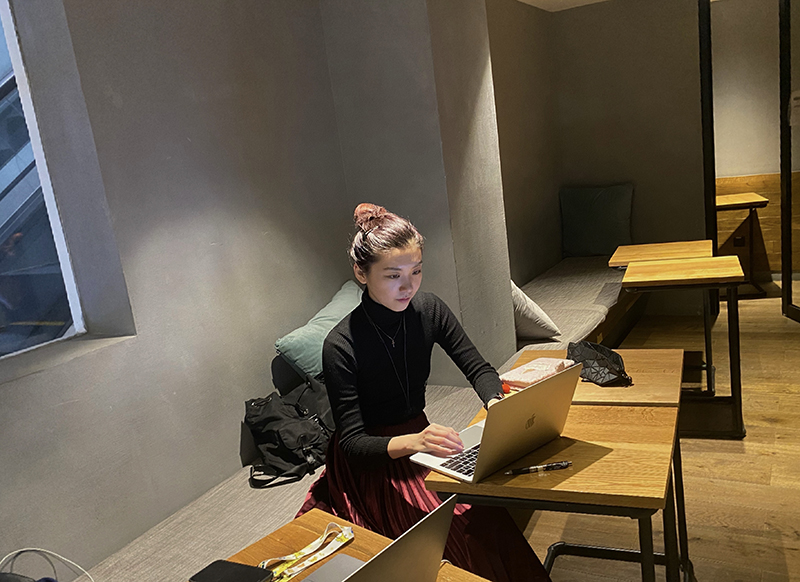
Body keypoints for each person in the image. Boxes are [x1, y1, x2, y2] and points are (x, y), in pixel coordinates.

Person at [297, 203, 551, 582]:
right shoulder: (341, 345)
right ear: (360, 273)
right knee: (449, 537)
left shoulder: (429, 310)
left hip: (421, 438)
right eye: (393, 275)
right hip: (374, 458)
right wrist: (413, 440)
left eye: (416, 271)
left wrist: (498, 403)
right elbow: (352, 443)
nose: (408, 286)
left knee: (485, 516)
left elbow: (477, 367)